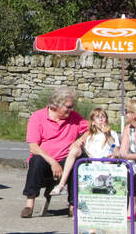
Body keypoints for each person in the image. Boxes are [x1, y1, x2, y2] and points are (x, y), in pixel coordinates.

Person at [21, 86, 87, 218]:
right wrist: (52, 162)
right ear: (55, 105)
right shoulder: (37, 117)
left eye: (72, 106)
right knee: (36, 160)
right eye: (68, 107)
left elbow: (90, 129)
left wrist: (80, 140)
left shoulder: (74, 117)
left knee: (78, 162)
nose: (71, 109)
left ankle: (73, 206)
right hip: (46, 160)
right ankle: (29, 204)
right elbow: (33, 147)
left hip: (66, 159)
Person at [50, 107, 117, 195]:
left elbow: (116, 149)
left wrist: (109, 137)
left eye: (103, 117)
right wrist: (79, 144)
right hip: (90, 165)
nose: (101, 119)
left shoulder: (113, 134)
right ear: (93, 122)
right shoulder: (89, 136)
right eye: (97, 117)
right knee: (74, 150)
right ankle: (62, 184)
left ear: (107, 120)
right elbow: (73, 148)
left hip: (106, 165)